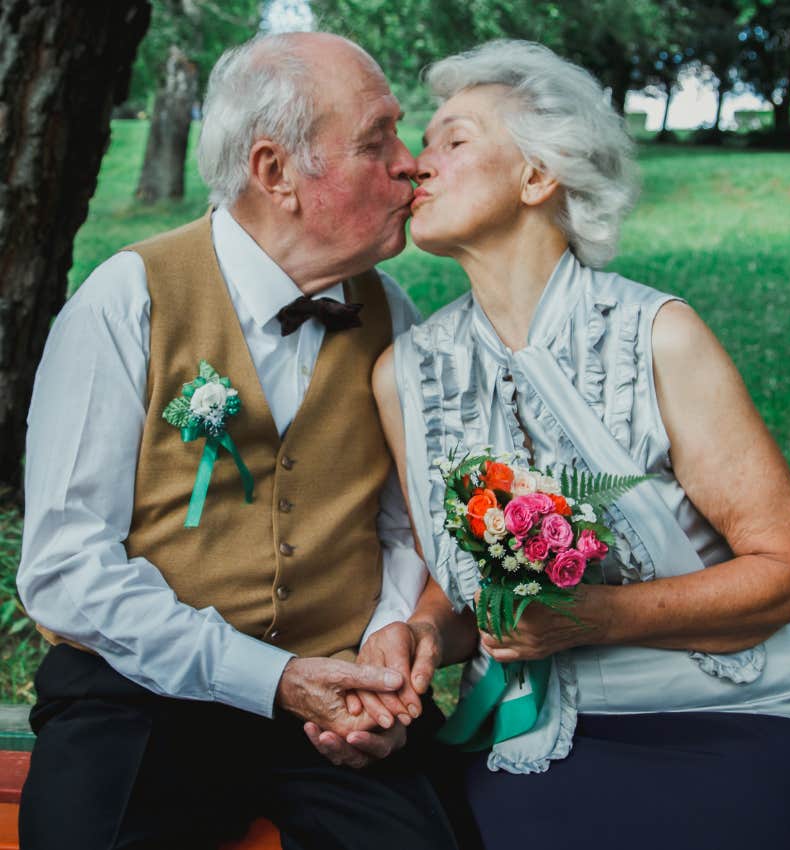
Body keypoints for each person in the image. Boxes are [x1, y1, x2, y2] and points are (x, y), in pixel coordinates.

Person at [354, 39, 790, 850]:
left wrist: (592, 616)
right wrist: (426, 633)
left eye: (453, 140)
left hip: (719, 729)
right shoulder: (406, 373)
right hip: (519, 743)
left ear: (539, 178)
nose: (415, 166)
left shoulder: (661, 337)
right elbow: (461, 584)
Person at [16, 32, 459, 850]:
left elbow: (407, 529)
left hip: (340, 703)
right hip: (140, 694)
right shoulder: (126, 301)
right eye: (377, 140)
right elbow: (66, 570)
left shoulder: (396, 317)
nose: (411, 164)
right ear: (275, 172)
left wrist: (383, 656)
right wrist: (275, 679)